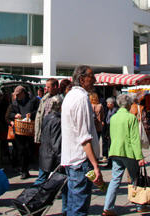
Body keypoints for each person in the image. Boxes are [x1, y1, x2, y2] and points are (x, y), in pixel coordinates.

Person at [61, 65, 103, 216]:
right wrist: (95, 165)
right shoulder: (81, 98)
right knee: (79, 207)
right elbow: (84, 137)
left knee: (72, 205)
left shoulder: (70, 96)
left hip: (71, 159)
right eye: (91, 76)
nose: (94, 80)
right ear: (82, 79)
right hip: (80, 161)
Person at [102, 94, 147, 216]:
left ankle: (108, 206)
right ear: (128, 104)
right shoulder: (130, 118)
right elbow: (134, 139)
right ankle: (139, 205)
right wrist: (140, 157)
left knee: (115, 179)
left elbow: (112, 135)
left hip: (115, 151)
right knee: (135, 178)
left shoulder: (114, 118)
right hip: (128, 152)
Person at [7, 85, 39, 179]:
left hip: (29, 129)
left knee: (28, 149)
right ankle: (23, 170)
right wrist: (14, 116)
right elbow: (9, 114)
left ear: (23, 93)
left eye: (18, 94)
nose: (17, 96)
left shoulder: (33, 101)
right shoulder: (15, 103)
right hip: (18, 130)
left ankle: (25, 168)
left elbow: (38, 111)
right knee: (20, 150)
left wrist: (31, 115)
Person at [34, 78, 61, 184]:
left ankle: (38, 189)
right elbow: (40, 116)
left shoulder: (58, 100)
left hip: (52, 135)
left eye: (48, 87)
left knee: (46, 166)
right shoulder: (45, 98)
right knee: (45, 164)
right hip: (45, 134)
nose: (46, 89)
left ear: (55, 87)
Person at [102, 97, 118, 164]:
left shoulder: (115, 111)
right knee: (108, 145)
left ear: (112, 104)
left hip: (113, 130)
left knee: (111, 146)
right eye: (107, 103)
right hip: (107, 129)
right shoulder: (107, 110)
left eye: (108, 104)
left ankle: (112, 161)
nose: (107, 105)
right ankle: (110, 160)